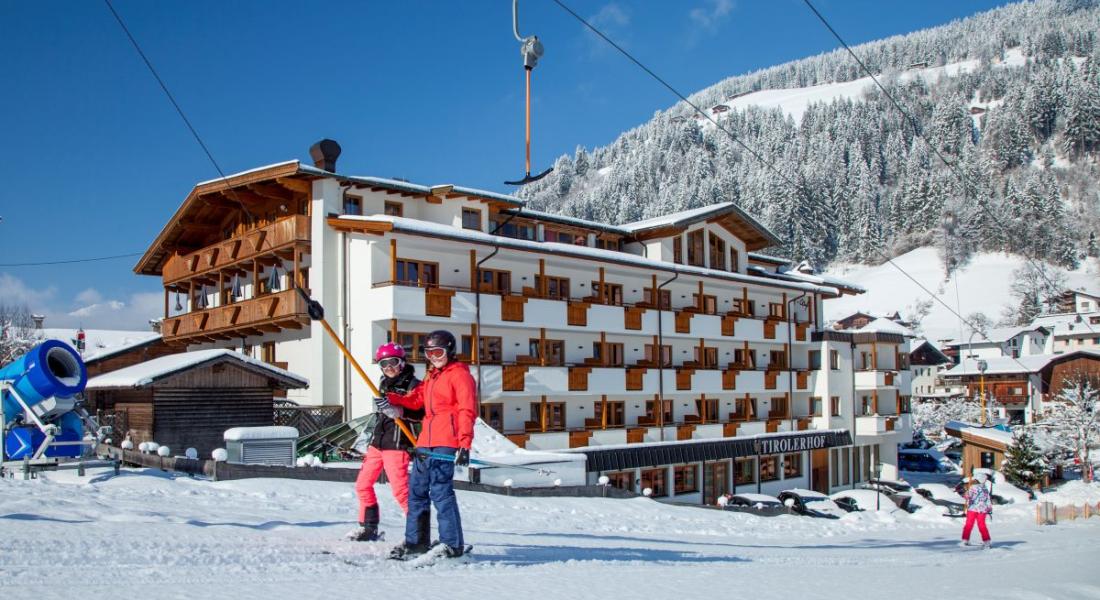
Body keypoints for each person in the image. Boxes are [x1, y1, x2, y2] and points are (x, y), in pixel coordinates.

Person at [382, 330, 476, 559]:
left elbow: (467, 410)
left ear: (450, 351)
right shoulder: (432, 376)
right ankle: (416, 542)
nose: (433, 356)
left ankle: (452, 544)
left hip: (447, 440)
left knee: (441, 491)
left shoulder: (460, 375)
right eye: (429, 352)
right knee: (417, 491)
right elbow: (417, 400)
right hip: (426, 440)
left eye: (438, 351)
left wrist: (464, 443)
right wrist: (392, 400)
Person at [348, 342, 424, 542]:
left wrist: (398, 410)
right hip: (378, 442)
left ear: (402, 362)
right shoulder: (382, 383)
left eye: (393, 362)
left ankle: (418, 534)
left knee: (401, 491)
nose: (389, 367)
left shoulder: (413, 385)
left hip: (397, 444)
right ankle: (368, 528)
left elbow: (420, 413)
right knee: (362, 485)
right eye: (384, 364)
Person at [960, 474, 993, 548]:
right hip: (983, 510)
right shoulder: (985, 489)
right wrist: (989, 508)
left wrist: (966, 493)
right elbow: (988, 499)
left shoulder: (973, 487)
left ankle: (965, 540)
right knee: (982, 525)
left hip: (973, 509)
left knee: (969, 525)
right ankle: (987, 541)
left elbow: (968, 496)